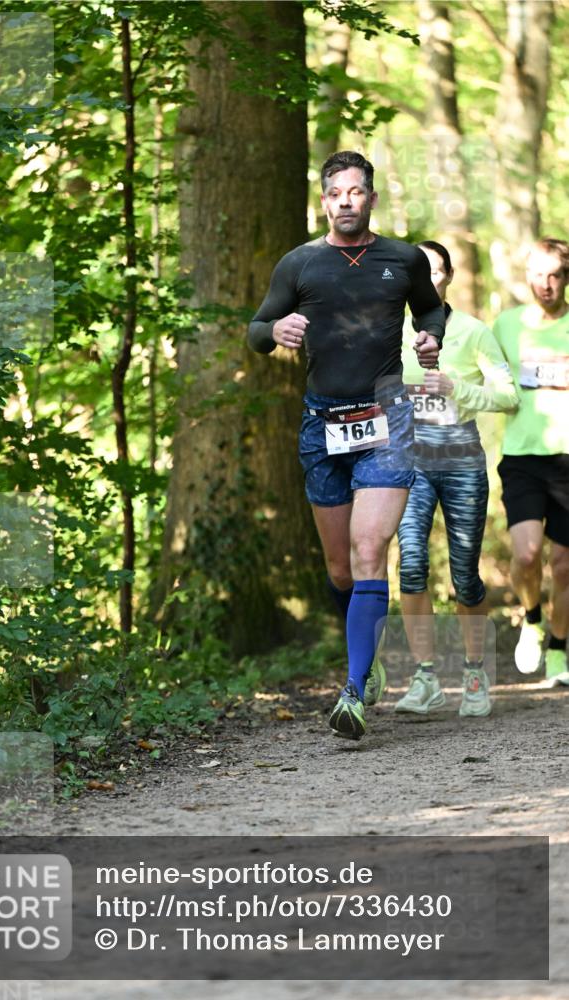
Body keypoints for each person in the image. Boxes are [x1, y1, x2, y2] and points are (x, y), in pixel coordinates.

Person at [247, 150, 445, 740]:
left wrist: (431, 336)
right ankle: (368, 656)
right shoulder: (300, 264)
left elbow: (431, 307)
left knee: (367, 552)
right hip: (322, 426)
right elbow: (257, 327)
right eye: (336, 193)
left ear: (371, 198)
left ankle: (353, 692)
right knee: (338, 570)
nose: (346, 202)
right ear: (325, 200)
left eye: (356, 192)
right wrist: (273, 332)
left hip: (388, 420)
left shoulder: (403, 259)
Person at [395, 241, 518, 718]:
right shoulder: (390, 329)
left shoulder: (471, 331)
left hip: (463, 462)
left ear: (447, 278)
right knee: (410, 564)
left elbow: (508, 397)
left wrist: (458, 389)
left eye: (435, 270)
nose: (426, 278)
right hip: (409, 462)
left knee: (465, 574)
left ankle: (473, 671)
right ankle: (424, 677)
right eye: (416, 270)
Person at [493, 238, 569, 687]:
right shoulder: (507, 326)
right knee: (527, 554)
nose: (546, 284)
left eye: (555, 274)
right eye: (538, 275)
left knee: (564, 566)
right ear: (527, 279)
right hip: (522, 456)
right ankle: (533, 619)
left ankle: (559, 650)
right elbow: (478, 370)